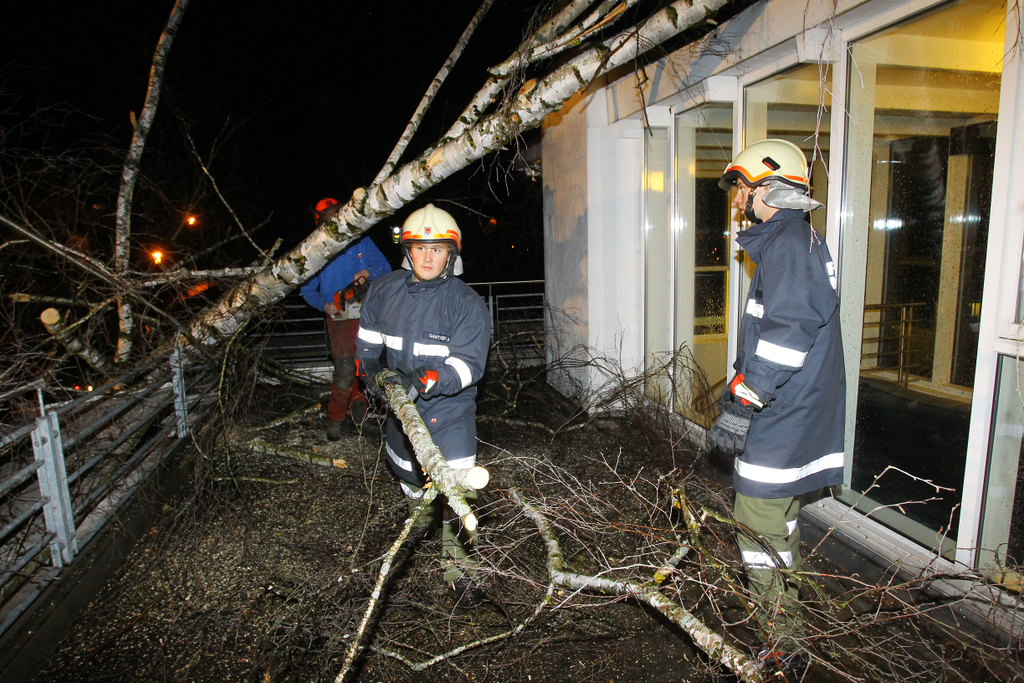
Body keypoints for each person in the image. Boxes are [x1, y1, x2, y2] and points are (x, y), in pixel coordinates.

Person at [710, 139, 846, 679]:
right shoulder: (791, 242)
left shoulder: (790, 242)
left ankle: (782, 642)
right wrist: (743, 381)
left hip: (784, 411)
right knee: (781, 520)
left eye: (744, 187)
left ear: (768, 187)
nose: (739, 198)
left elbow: (788, 333)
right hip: (791, 405)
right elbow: (781, 328)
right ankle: (790, 624)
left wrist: (748, 396)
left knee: (758, 518)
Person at [354, 203, 491, 606]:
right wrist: (377, 379)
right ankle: (419, 520)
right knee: (410, 479)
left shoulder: (466, 303)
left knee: (457, 495)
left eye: (437, 249)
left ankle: (460, 572)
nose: (428, 257)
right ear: (407, 251)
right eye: (420, 248)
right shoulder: (383, 291)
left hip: (450, 413)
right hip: (400, 412)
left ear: (452, 254)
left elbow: (469, 366)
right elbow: (368, 349)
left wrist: (426, 379)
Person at [301, 198, 391, 441]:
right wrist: (325, 305)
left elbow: (385, 267)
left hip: (367, 312)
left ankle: (360, 417)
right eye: (330, 215)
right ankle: (336, 419)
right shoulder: (316, 250)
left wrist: (368, 272)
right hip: (340, 317)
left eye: (338, 213)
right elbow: (307, 289)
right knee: (344, 369)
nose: (336, 218)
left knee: (366, 367)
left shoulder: (360, 239)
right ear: (320, 221)